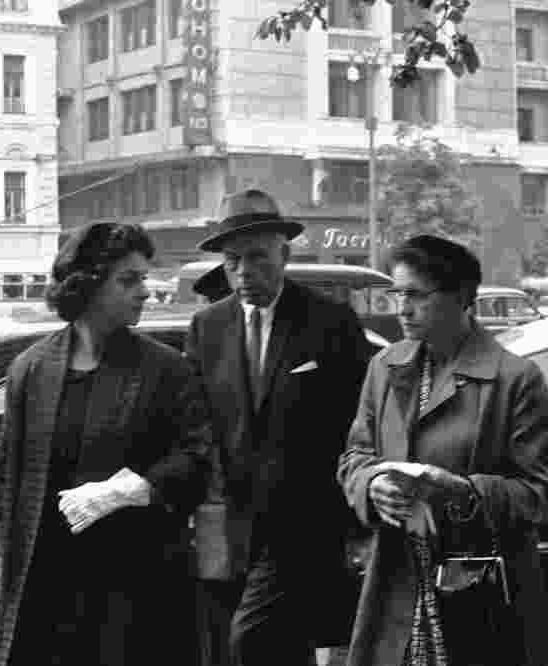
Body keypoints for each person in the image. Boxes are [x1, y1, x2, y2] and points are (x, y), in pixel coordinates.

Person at [0, 221, 212, 666]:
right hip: (48, 587)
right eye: (129, 280)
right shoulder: (31, 369)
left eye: (144, 277)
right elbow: (5, 481)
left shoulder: (165, 369)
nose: (145, 291)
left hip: (136, 590)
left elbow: (197, 460)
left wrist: (124, 490)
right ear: (88, 286)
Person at [337, 235, 548, 666]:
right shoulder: (385, 368)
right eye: (397, 294)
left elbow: (543, 495)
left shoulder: (515, 379)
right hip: (396, 581)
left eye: (417, 295)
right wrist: (372, 484)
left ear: (461, 297)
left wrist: (462, 492)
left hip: (483, 590)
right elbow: (355, 456)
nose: (402, 308)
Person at [184, 189, 371, 666]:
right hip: (229, 528)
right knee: (279, 649)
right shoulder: (207, 327)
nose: (244, 272)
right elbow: (197, 423)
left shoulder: (330, 322)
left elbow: (357, 423)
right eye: (232, 262)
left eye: (257, 258)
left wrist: (356, 523)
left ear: (285, 254)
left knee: (251, 640)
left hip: (305, 524)